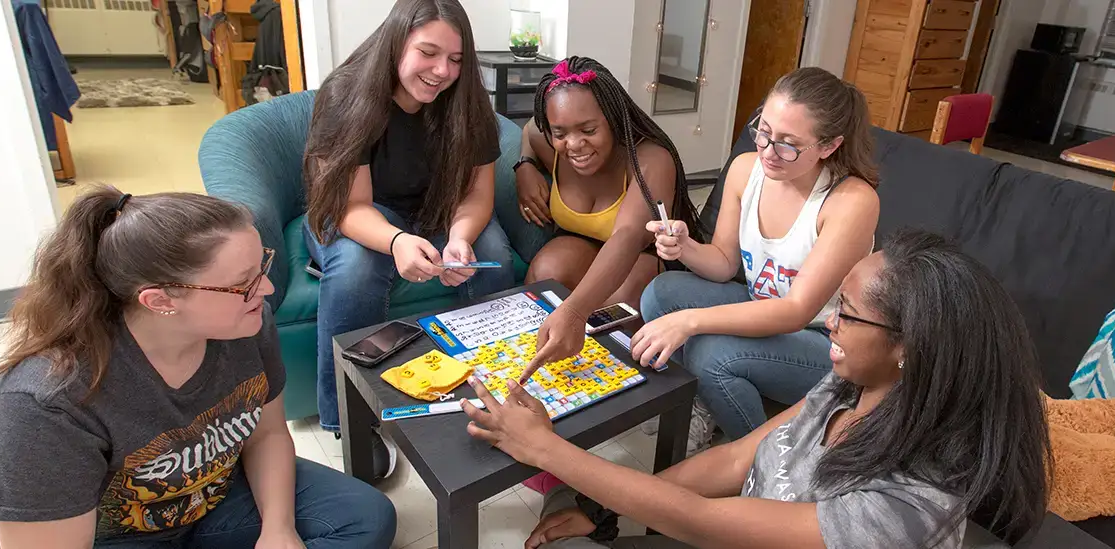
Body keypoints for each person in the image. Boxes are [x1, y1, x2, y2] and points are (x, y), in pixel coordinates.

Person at [460, 230, 1052, 549]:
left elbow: (706, 523)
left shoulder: (906, 505)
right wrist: (599, 509)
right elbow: (738, 457)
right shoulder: (853, 387)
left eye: (847, 314)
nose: (828, 324)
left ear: (909, 346)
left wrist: (544, 448)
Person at [0, 188, 396, 549]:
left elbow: (267, 433)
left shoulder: (248, 323)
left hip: (213, 497)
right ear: (160, 301)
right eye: (244, 283)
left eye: (262, 269)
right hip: (113, 537)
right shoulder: (42, 407)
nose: (266, 290)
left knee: (366, 519)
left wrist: (279, 529)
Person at [302, 0, 515, 463]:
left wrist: (459, 236)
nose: (442, 71)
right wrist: (396, 242)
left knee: (492, 251)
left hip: (436, 212)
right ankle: (349, 419)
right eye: (428, 52)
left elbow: (479, 194)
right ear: (397, 41)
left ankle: (494, 389)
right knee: (357, 267)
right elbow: (347, 206)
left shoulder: (468, 102)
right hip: (353, 211)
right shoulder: (347, 93)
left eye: (456, 60)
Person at [630, 67, 880, 452]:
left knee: (712, 354)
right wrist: (686, 248)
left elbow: (796, 311)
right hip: (763, 308)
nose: (767, 151)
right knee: (659, 294)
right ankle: (704, 399)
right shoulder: (746, 169)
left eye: (788, 144)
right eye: (763, 132)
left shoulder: (851, 202)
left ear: (828, 146)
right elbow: (726, 263)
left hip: (823, 340)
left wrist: (690, 321)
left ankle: (758, 463)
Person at [513, 56, 704, 379]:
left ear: (613, 119)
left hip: (644, 256)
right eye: (560, 133)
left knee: (617, 303)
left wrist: (574, 312)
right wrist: (524, 167)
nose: (573, 144)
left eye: (588, 130)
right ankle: (552, 362)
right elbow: (531, 131)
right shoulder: (549, 142)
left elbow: (627, 236)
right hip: (585, 246)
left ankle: (618, 381)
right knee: (546, 270)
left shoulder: (650, 160)